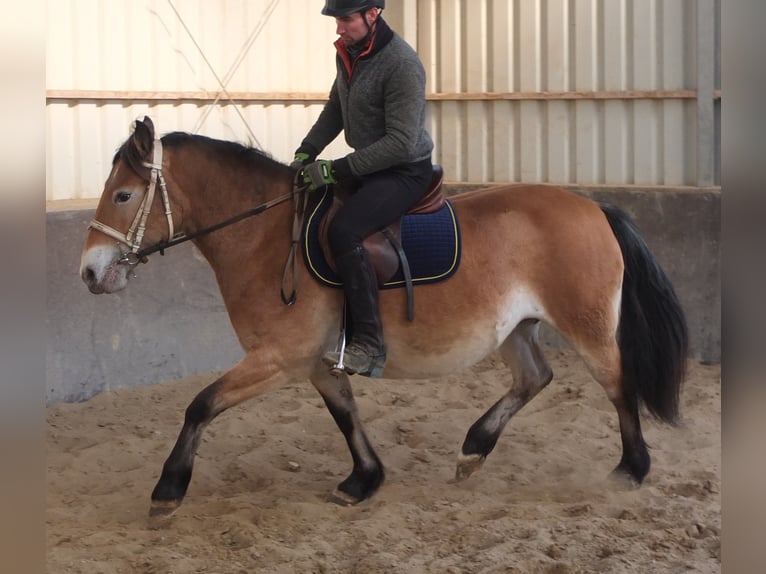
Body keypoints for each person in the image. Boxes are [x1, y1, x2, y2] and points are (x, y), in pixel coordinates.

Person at [291, 0, 434, 378]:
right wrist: (307, 150)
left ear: (373, 14)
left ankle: (368, 344)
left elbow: (401, 143)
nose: (339, 27)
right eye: (337, 19)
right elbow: (336, 108)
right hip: (372, 166)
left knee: (345, 229)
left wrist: (336, 169)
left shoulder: (402, 64)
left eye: (346, 19)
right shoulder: (349, 53)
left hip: (404, 171)